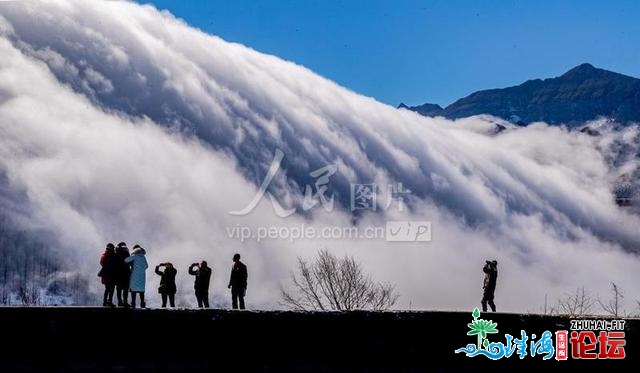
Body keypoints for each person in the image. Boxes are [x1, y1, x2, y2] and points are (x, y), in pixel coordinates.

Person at [98, 243, 118, 307]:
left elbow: (101, 263)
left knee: (107, 289)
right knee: (111, 289)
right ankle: (110, 301)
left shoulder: (104, 255)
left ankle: (104, 302)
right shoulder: (114, 255)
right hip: (112, 275)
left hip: (105, 275)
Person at [115, 242, 131, 307]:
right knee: (125, 289)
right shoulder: (127, 252)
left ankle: (119, 302)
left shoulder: (116, 253)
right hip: (126, 272)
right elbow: (129, 262)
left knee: (118, 288)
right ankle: (125, 302)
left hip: (118, 273)